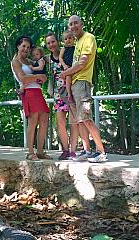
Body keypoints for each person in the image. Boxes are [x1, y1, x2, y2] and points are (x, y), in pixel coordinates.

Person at [61, 15, 107, 163]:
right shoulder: (77, 41)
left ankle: (101, 151)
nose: (73, 26)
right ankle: (87, 150)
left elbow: (82, 64)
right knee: (79, 121)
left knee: (86, 118)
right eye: (70, 24)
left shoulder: (88, 38)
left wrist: (64, 73)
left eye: (75, 23)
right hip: (73, 85)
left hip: (82, 83)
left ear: (81, 24)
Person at [45, 32, 90, 160]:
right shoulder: (48, 58)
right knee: (60, 123)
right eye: (48, 43)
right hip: (58, 95)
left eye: (53, 41)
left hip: (72, 91)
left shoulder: (70, 52)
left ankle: (73, 150)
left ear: (58, 41)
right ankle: (65, 149)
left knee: (75, 122)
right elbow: (34, 60)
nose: (51, 45)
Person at [11, 35, 51, 161]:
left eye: (28, 47)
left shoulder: (30, 61)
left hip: (38, 91)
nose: (26, 49)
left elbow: (42, 76)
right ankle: (30, 152)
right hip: (28, 92)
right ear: (18, 46)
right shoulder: (15, 61)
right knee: (33, 121)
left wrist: (39, 77)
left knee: (44, 119)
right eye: (23, 46)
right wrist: (37, 77)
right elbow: (22, 78)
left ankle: (40, 151)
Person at [59, 30, 75, 102]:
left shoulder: (75, 48)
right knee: (68, 77)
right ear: (63, 41)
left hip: (74, 67)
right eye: (66, 39)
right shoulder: (64, 49)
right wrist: (64, 65)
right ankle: (69, 94)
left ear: (73, 39)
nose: (68, 40)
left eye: (70, 38)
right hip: (67, 67)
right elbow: (60, 58)